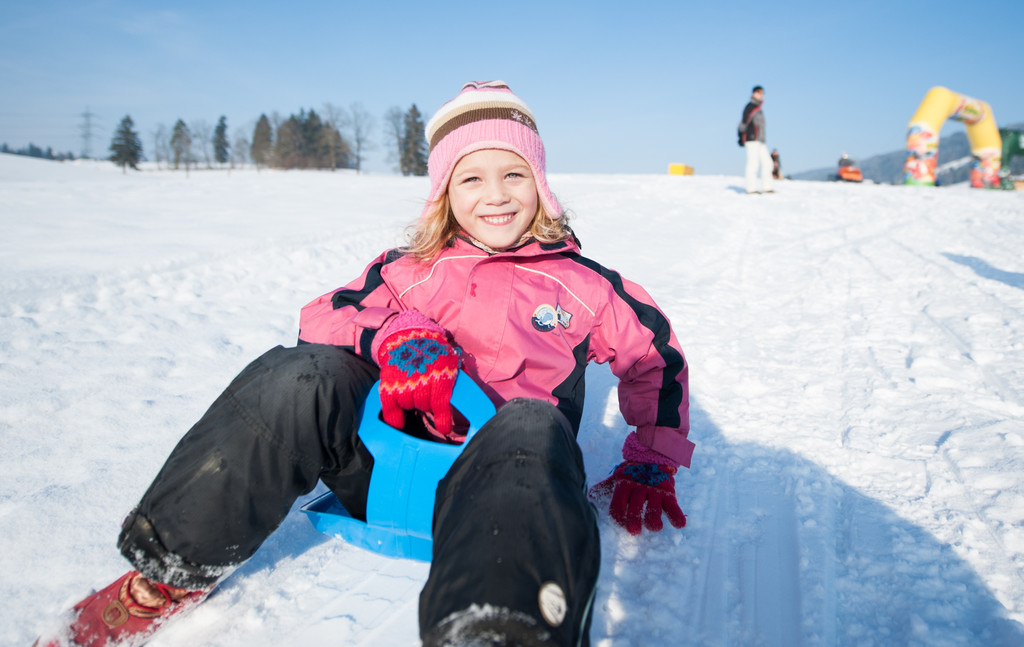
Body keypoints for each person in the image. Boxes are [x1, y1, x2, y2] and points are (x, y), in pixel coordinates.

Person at [37, 81, 694, 647]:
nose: (495, 195)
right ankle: (169, 568)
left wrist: (650, 454)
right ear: (443, 192)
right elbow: (324, 317)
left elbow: (654, 355)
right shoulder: (409, 271)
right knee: (302, 374)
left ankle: (504, 625)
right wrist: (400, 334)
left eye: (514, 174)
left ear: (541, 184)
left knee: (528, 420)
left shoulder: (582, 283)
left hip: (504, 489)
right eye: (471, 177)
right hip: (384, 466)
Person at [738, 85, 773, 194]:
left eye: (762, 93)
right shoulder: (750, 107)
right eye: (758, 93)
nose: (761, 95)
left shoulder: (759, 109)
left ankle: (767, 187)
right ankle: (751, 188)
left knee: (768, 163)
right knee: (753, 163)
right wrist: (740, 136)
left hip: (761, 140)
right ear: (754, 93)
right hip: (752, 139)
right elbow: (743, 123)